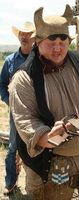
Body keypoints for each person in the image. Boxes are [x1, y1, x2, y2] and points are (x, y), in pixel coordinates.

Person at [9, 5, 79, 200]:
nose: (58, 48)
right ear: (38, 42)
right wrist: (48, 136)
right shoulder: (24, 78)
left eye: (62, 41)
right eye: (51, 42)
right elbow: (25, 121)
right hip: (53, 166)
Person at [0, 21, 35, 195]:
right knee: (13, 147)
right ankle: (11, 182)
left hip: (37, 114)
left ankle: (35, 185)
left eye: (27, 33)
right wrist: (10, 101)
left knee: (35, 147)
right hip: (15, 114)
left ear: (33, 37)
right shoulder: (10, 61)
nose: (23, 36)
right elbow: (2, 84)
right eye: (21, 33)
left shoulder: (39, 59)